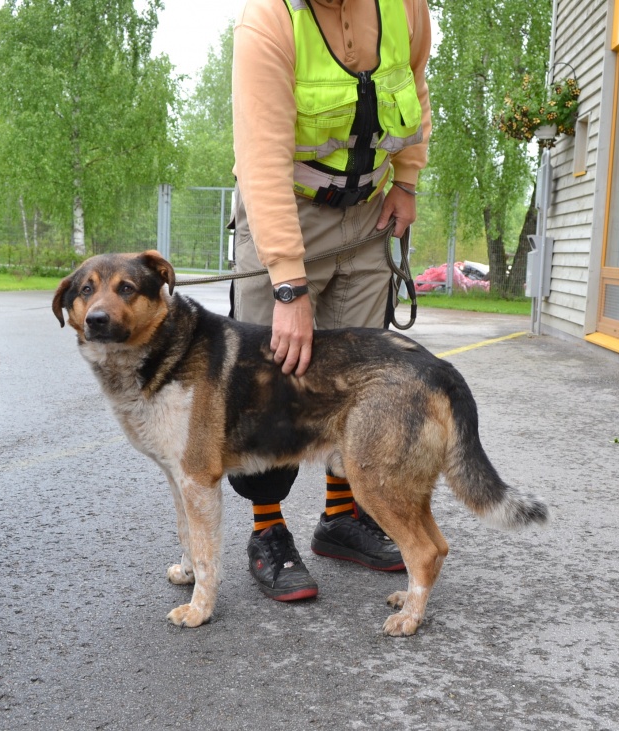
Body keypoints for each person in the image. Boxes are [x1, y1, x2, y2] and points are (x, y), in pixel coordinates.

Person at [229, 0, 432, 601]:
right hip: (286, 210)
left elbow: (416, 89)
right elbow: (262, 161)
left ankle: (342, 517)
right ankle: (268, 531)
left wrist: (407, 180)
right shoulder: (269, 20)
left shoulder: (406, 7)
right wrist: (288, 286)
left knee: (358, 379)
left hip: (367, 215)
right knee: (269, 383)